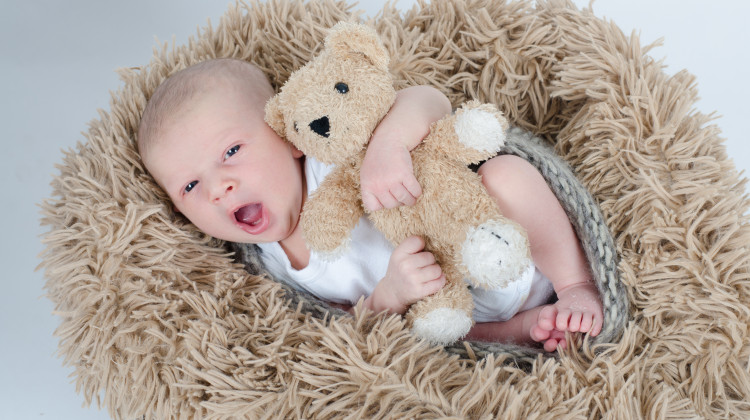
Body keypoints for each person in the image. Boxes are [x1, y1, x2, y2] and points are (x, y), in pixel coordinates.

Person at [137, 58, 603, 352]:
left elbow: (428, 100)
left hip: (510, 242)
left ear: (284, 134)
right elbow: (347, 319)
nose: (219, 188)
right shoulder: (268, 264)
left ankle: (575, 283)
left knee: (506, 176)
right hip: (457, 310)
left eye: (231, 152)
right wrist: (390, 295)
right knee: (428, 337)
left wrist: (388, 147)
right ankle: (520, 331)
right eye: (190, 186)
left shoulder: (330, 151)